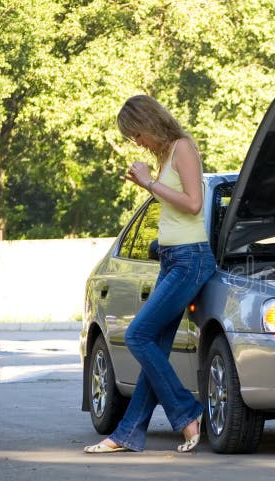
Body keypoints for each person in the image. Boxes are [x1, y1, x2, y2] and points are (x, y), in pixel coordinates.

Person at [84, 95, 216, 453]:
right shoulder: (166, 155)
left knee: (139, 335)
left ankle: (187, 412)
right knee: (154, 343)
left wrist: (149, 184)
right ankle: (126, 434)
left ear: (151, 122)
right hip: (173, 259)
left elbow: (193, 204)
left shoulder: (183, 148)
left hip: (191, 260)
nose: (137, 142)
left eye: (137, 134)